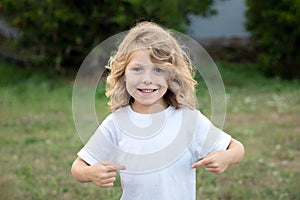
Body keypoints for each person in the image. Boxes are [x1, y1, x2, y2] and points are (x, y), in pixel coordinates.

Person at [71, 21, 245, 200]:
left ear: (172, 75)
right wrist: (90, 173)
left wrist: (227, 157)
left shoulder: (188, 119)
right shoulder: (117, 122)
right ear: (123, 74)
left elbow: (237, 148)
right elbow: (78, 167)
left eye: (158, 70)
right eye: (137, 69)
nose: (147, 79)